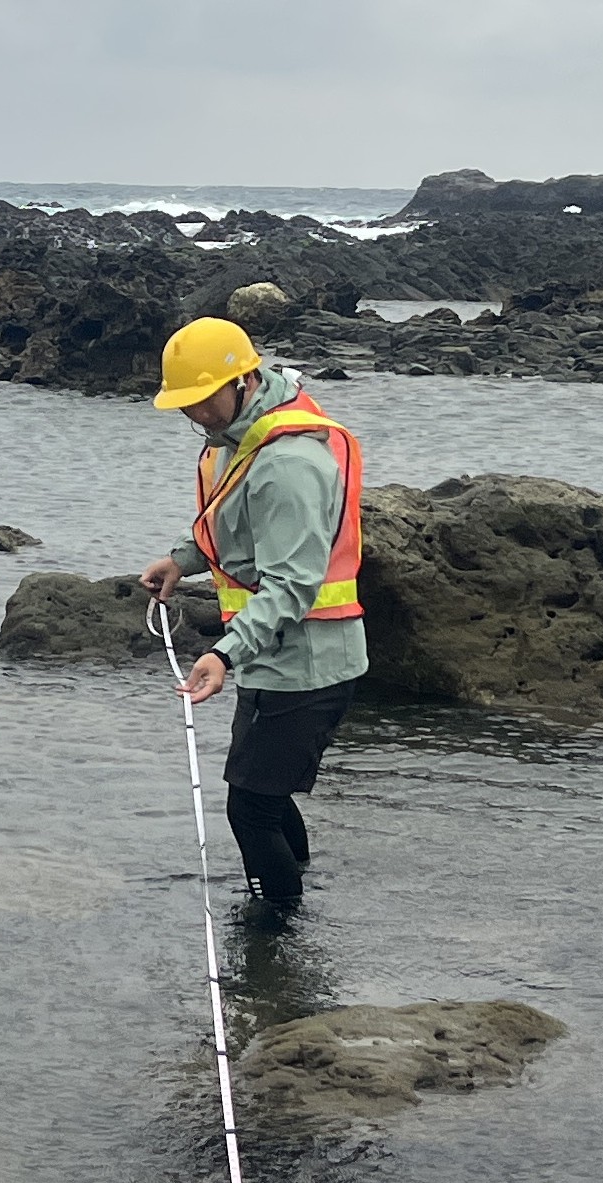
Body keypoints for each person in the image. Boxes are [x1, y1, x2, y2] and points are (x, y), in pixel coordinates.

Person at [139, 317, 365, 918]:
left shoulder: (289, 464)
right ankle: (299, 893)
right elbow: (232, 525)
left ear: (244, 381)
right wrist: (182, 560)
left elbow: (293, 585)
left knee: (251, 807)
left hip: (310, 662)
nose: (196, 415)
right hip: (272, 655)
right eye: (185, 405)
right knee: (266, 795)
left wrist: (223, 653)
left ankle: (276, 929)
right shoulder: (239, 438)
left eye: (204, 400)